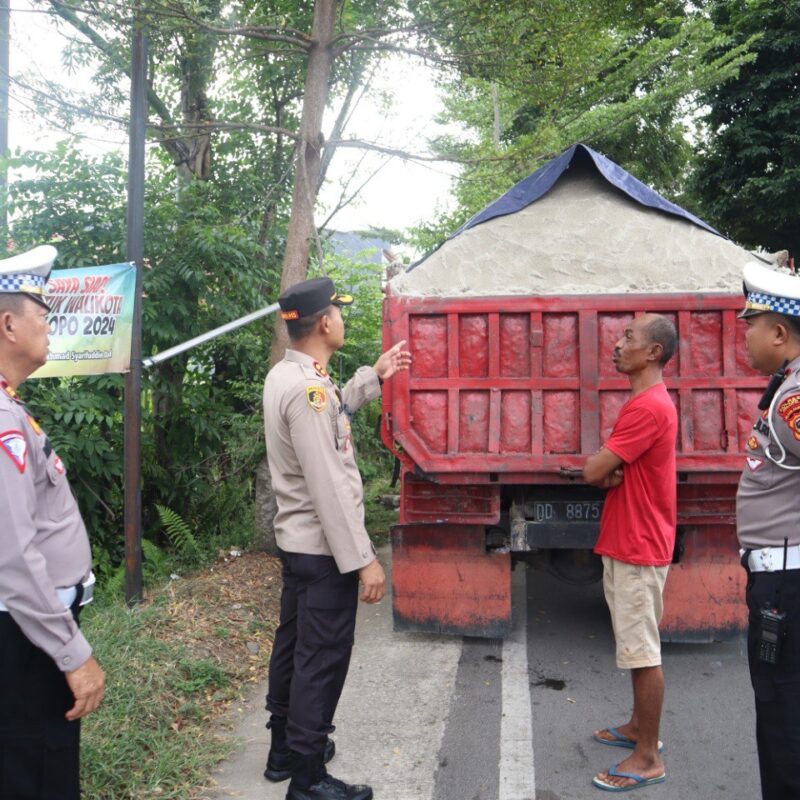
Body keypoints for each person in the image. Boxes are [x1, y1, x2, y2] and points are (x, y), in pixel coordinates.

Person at [262, 276, 411, 800]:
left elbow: (331, 417)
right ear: (325, 322)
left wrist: (374, 374)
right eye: (339, 313)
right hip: (323, 551)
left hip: (299, 544)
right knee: (321, 660)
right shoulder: (307, 391)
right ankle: (307, 778)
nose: (342, 320)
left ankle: (284, 749)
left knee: (293, 646)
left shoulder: (291, 376)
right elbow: (327, 484)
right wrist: (364, 560)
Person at [0, 245, 105, 800]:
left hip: (25, 631)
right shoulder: (3, 422)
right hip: (24, 637)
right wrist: (73, 653)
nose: (50, 326)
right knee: (37, 770)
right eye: (43, 315)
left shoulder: (11, 406)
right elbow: (13, 557)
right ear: (9, 323)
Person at [582, 312, 678, 793]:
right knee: (634, 645)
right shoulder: (644, 401)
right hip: (629, 538)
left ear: (653, 352)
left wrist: (602, 468)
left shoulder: (648, 407)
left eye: (628, 337)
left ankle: (648, 757)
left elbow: (595, 469)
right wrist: (607, 470)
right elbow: (609, 469)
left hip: (639, 544)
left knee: (643, 653)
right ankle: (639, 729)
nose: (618, 345)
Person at [736, 260, 800, 800]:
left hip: (786, 582)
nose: (745, 336)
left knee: (782, 717)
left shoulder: (795, 397)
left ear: (779, 333)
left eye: (749, 325)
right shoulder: (786, 386)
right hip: (782, 575)